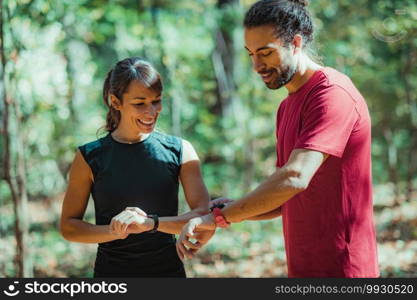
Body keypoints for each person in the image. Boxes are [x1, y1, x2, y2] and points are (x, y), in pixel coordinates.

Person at [177, 0, 379, 278]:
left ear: (295, 43)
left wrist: (220, 217)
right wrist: (227, 210)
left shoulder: (332, 94)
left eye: (266, 53)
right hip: (302, 268)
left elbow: (294, 177)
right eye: (250, 54)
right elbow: (288, 199)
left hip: (344, 269)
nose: (257, 65)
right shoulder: (287, 107)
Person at [60, 57, 212, 277]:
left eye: (156, 100)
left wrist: (150, 223)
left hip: (168, 274)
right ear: (115, 101)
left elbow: (202, 216)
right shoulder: (89, 157)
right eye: (139, 103)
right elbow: (69, 227)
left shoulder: (180, 150)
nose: (151, 111)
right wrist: (116, 231)